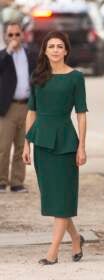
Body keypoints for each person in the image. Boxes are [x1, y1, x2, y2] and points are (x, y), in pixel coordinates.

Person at [22, 31, 88, 265]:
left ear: (66, 50)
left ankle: (53, 251)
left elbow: (81, 114)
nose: (56, 50)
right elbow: (32, 111)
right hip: (41, 141)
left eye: (60, 46)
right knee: (53, 199)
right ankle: (76, 238)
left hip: (65, 142)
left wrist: (82, 146)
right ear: (45, 50)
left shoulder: (76, 78)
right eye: (51, 46)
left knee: (63, 197)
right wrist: (26, 144)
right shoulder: (38, 76)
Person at [0, 21, 36, 193]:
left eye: (17, 34)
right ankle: (1, 181)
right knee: (3, 147)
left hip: (27, 106)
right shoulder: (3, 55)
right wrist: (8, 52)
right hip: (8, 108)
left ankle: (17, 182)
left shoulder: (30, 54)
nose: (14, 38)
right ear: (6, 37)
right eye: (10, 35)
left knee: (22, 146)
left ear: (22, 35)